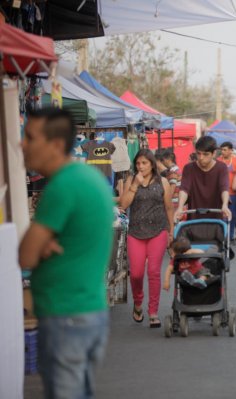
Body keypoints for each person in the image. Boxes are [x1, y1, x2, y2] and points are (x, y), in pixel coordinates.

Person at [19, 108, 113, 398]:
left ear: (56, 144)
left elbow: (25, 256)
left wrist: (37, 240)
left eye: (30, 137)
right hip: (86, 311)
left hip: (66, 315)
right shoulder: (87, 178)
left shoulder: (63, 185)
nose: (22, 144)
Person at [120, 149, 174, 328]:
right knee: (135, 273)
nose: (140, 166)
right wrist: (135, 183)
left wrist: (171, 232)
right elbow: (124, 205)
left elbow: (168, 208)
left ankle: (153, 312)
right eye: (137, 163)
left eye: (144, 163)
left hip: (158, 231)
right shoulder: (131, 180)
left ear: (151, 164)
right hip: (136, 232)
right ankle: (137, 303)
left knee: (153, 271)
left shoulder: (163, 182)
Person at [175, 136, 232, 221]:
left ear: (214, 153)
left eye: (206, 154)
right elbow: (184, 189)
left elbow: (224, 188)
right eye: (198, 153)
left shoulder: (221, 168)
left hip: (216, 219)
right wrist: (180, 207)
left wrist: (224, 205)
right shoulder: (189, 168)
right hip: (194, 218)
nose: (201, 158)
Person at [217, 142, 236, 241]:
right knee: (221, 216)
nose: (223, 152)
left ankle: (230, 236)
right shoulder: (217, 162)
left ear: (231, 150)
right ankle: (223, 236)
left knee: (233, 215)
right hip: (220, 194)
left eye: (225, 150)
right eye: (222, 150)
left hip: (233, 194)